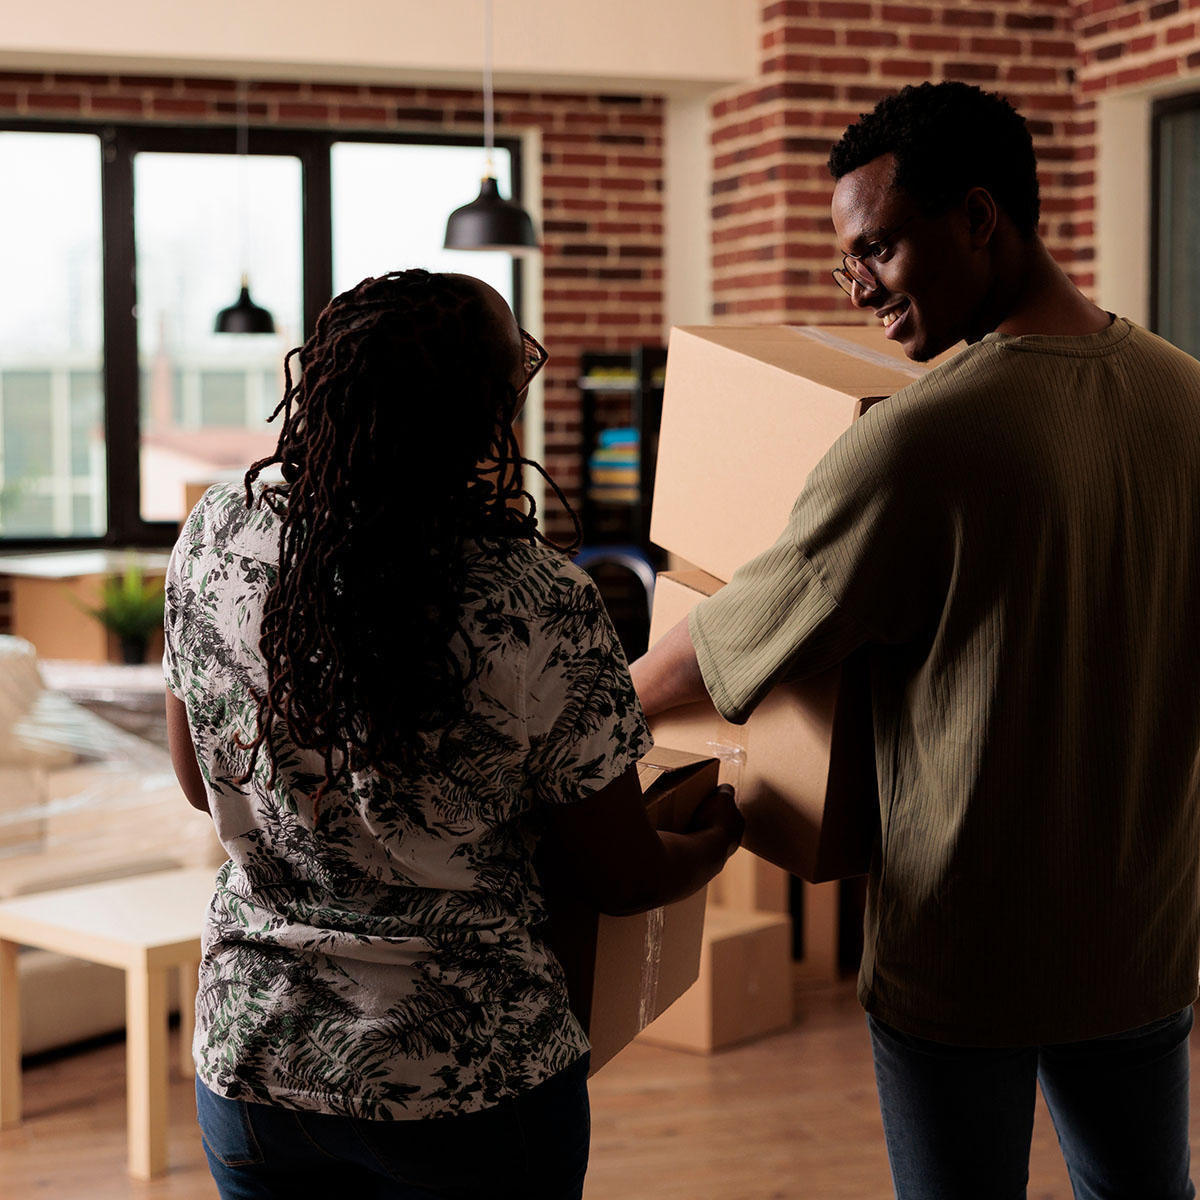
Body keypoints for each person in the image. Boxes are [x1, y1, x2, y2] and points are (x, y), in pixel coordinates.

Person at [631, 81, 1200, 1199]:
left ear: (979, 217)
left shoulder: (921, 438)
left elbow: (740, 634)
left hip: (963, 955)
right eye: (847, 259)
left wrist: (590, 708)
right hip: (1140, 935)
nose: (859, 288)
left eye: (878, 249)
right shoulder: (1187, 398)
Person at [164, 268, 743, 1200]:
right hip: (468, 1080)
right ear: (486, 413)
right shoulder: (535, 597)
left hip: (259, 1061)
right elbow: (623, 876)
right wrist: (713, 841)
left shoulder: (216, 534)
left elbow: (201, 784)